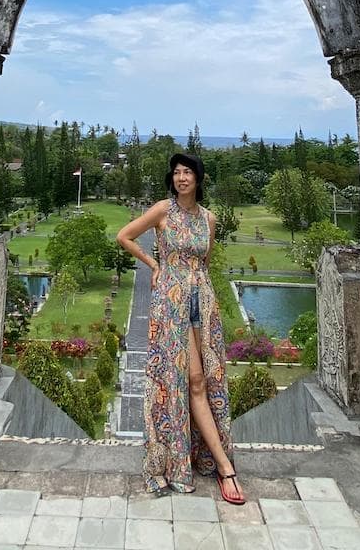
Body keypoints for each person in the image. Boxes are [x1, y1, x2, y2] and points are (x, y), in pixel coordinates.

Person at [117, 153, 243, 504]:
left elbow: (205, 261)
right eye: (176, 173)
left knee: (206, 380)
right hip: (170, 304)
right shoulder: (162, 211)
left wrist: (199, 292)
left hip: (201, 302)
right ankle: (223, 468)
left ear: (199, 179)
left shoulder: (209, 219)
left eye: (188, 172)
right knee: (191, 381)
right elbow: (124, 236)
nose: (182, 178)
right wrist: (154, 264)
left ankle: (204, 457)